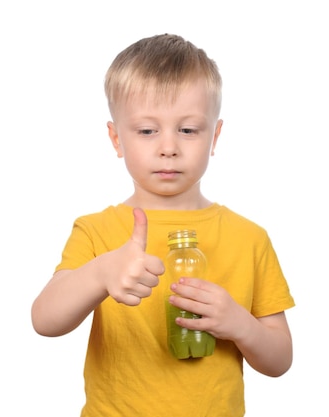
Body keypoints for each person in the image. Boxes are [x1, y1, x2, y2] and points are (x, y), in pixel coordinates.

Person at [31, 33, 295, 417]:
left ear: (214, 136)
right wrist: (101, 273)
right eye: (147, 130)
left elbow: (280, 360)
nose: (168, 147)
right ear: (116, 138)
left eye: (188, 130)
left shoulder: (249, 237)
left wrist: (240, 324)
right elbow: (44, 320)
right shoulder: (96, 230)